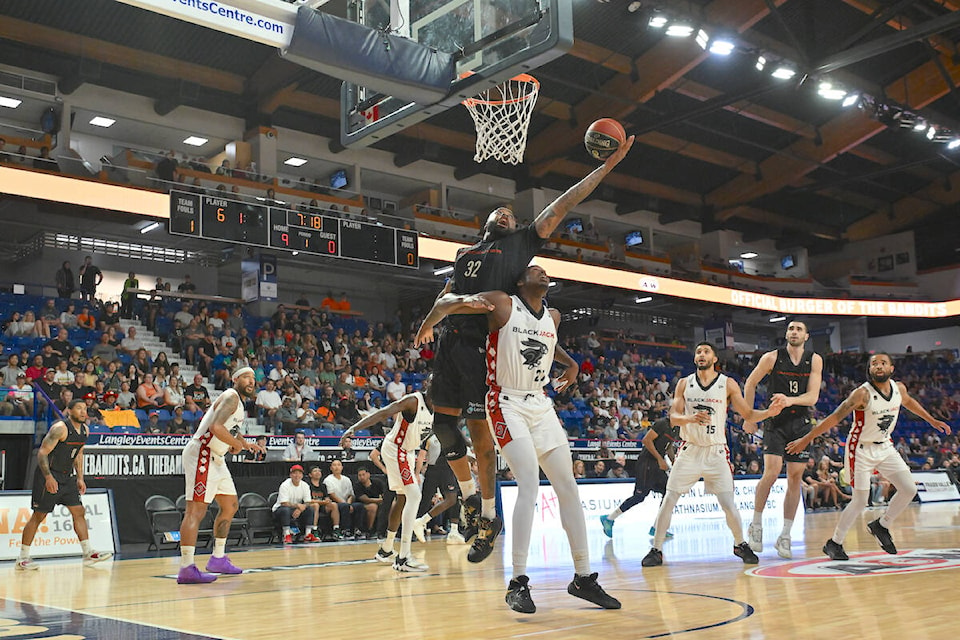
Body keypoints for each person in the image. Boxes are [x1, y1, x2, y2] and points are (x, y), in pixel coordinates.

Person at [415, 137, 635, 564]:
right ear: (485, 223)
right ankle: (467, 498)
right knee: (441, 430)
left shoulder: (520, 244)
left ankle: (487, 516)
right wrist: (429, 323)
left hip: (486, 347)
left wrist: (607, 167)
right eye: (500, 212)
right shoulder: (464, 255)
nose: (505, 213)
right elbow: (446, 294)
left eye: (511, 214)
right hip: (451, 346)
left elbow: (564, 205)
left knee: (482, 439)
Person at [417, 265, 620, 613]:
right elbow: (447, 303)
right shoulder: (501, 303)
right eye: (535, 270)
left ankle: (583, 577)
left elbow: (545, 345)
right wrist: (428, 324)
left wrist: (571, 364)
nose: (543, 273)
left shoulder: (552, 316)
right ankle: (517, 583)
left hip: (540, 403)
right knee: (529, 483)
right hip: (505, 401)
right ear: (521, 281)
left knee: (568, 486)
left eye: (545, 271)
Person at [786, 352, 952, 560]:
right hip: (860, 449)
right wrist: (806, 439)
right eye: (874, 364)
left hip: (885, 446)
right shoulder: (861, 394)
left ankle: (881, 525)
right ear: (869, 369)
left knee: (909, 489)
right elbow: (834, 417)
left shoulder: (899, 388)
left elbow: (909, 402)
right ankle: (834, 543)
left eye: (883, 363)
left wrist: (932, 420)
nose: (879, 366)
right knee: (860, 500)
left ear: (891, 368)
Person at [641, 342, 786, 568]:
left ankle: (740, 544)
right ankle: (656, 549)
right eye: (698, 351)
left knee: (728, 503)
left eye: (706, 351)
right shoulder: (683, 384)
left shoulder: (727, 384)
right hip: (690, 449)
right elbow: (673, 417)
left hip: (717, 451)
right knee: (669, 499)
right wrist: (690, 419)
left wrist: (769, 413)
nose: (701, 354)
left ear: (715, 358)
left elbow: (747, 413)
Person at [742, 319, 824, 559]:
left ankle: (785, 534)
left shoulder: (814, 359)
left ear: (806, 336)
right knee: (772, 471)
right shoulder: (771, 357)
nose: (794, 332)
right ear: (786, 334)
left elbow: (812, 397)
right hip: (775, 422)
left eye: (799, 329)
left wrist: (789, 399)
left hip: (800, 422)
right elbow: (750, 382)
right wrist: (749, 414)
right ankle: (756, 525)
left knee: (796, 477)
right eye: (790, 328)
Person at [176, 367, 266, 584]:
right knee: (195, 511)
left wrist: (243, 443)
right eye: (245, 377)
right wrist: (235, 444)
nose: (250, 381)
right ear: (234, 379)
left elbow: (231, 429)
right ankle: (187, 567)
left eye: (253, 378)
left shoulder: (238, 403)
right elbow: (216, 427)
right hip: (202, 453)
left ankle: (217, 558)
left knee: (230, 505)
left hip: (216, 457)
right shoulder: (230, 396)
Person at [340, 379, 435, 571]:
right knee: (414, 495)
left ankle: (386, 549)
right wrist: (354, 429)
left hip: (407, 451)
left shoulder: (440, 408)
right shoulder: (413, 401)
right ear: (429, 386)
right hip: (396, 449)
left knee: (402, 499)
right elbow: (384, 412)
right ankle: (404, 557)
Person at [16, 399, 112, 570]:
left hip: (67, 477)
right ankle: (22, 558)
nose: (83, 412)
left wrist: (80, 478)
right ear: (69, 411)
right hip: (49, 475)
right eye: (79, 408)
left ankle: (88, 553)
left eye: (85, 408)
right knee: (39, 516)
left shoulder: (85, 430)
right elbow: (42, 453)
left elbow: (78, 454)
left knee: (79, 512)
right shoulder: (60, 428)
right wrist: (48, 478)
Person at [600, 417, 678, 539]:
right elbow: (646, 440)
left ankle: (657, 527)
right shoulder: (662, 423)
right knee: (639, 496)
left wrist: (674, 462)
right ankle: (609, 519)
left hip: (657, 464)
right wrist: (660, 459)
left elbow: (668, 447)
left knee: (669, 492)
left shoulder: (677, 428)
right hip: (646, 462)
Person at [272, 464, 320, 543]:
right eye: (294, 473)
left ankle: (308, 534)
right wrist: (297, 506)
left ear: (302, 475)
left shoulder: (305, 485)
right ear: (290, 475)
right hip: (280, 510)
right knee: (285, 510)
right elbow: (284, 503)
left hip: (296, 509)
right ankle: (286, 535)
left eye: (299, 473)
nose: (297, 475)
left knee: (310, 509)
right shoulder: (285, 485)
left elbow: (308, 501)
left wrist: (300, 509)